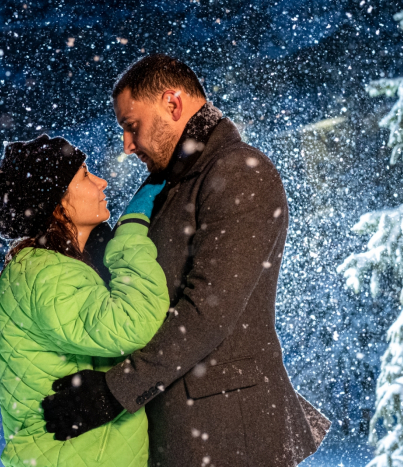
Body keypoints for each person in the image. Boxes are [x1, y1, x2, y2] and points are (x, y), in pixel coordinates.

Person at [42, 54, 331, 466]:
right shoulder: (171, 181)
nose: (127, 145)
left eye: (131, 126)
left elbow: (207, 312)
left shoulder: (238, 172)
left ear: (173, 104)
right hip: (189, 427)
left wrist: (114, 392)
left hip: (227, 432)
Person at [0, 134, 170, 467]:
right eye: (84, 175)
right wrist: (130, 233)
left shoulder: (46, 267)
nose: (102, 181)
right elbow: (131, 324)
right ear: (56, 205)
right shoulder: (46, 273)